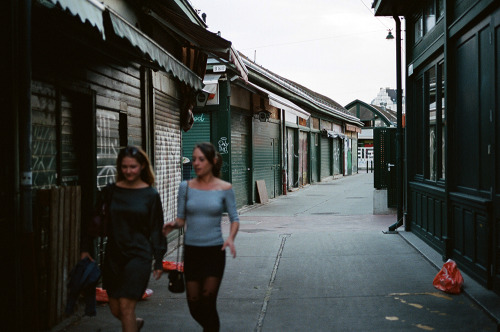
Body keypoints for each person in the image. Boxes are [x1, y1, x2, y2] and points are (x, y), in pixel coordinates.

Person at [81, 146, 167, 332]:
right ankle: (134, 325)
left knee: (127, 307)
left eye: (133, 166)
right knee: (116, 308)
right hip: (114, 255)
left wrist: (158, 260)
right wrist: (85, 248)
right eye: (124, 166)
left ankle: (130, 323)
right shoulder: (110, 192)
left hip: (139, 256)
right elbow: (93, 221)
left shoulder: (150, 195)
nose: (128, 171)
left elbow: (156, 230)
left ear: (143, 166)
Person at [163, 142, 240, 332]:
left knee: (208, 301)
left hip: (214, 251)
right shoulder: (185, 187)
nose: (196, 163)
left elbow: (234, 218)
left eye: (201, 159)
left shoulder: (224, 188)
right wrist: (172, 225)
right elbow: (181, 220)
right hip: (192, 252)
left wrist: (230, 237)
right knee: (194, 304)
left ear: (212, 162)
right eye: (194, 158)